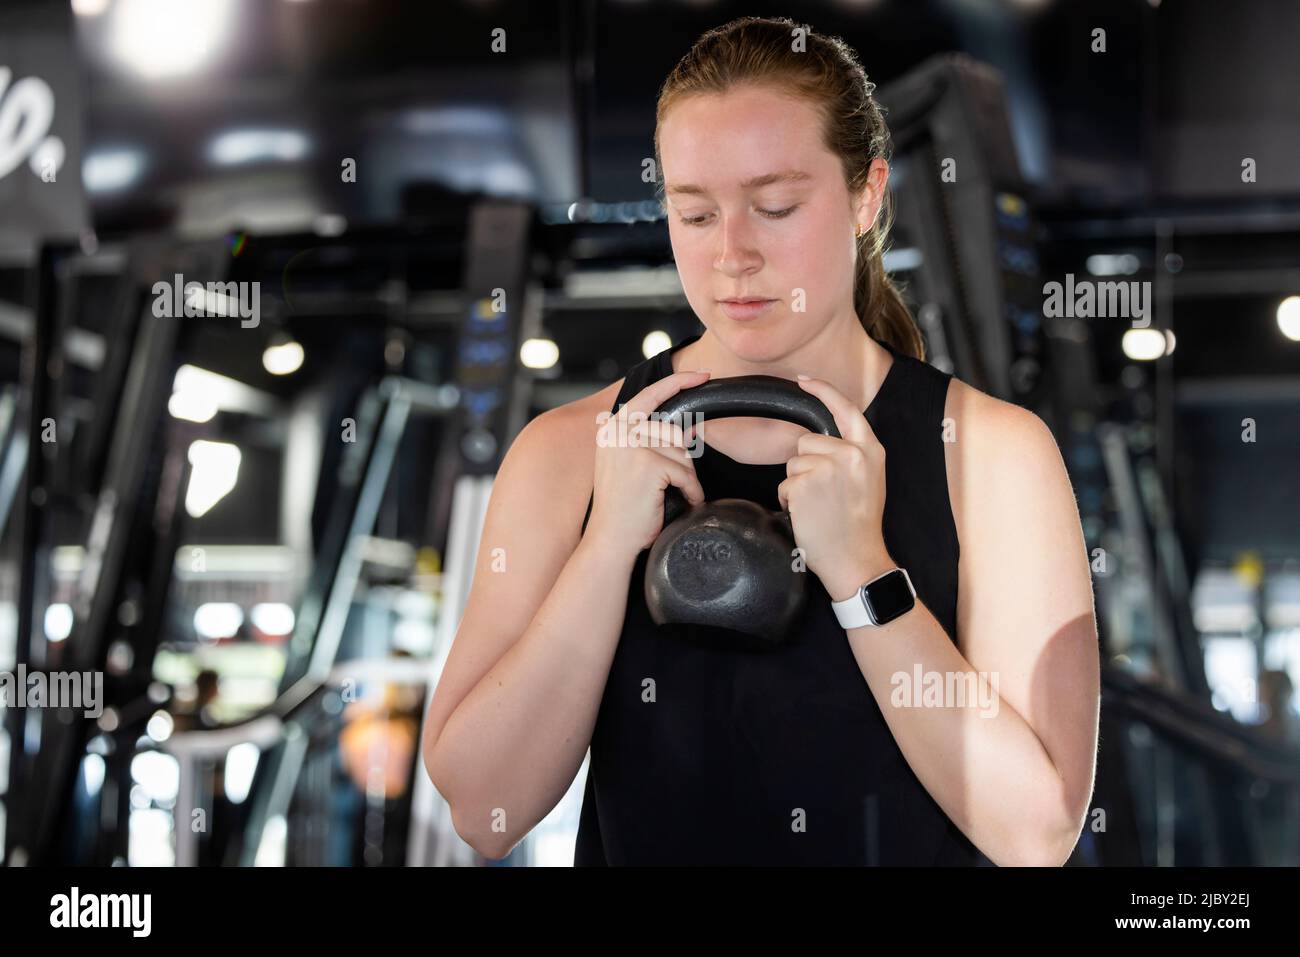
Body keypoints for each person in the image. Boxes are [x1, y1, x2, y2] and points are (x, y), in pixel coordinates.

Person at [422, 16, 1100, 866]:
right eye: (694, 213)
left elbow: (1035, 835)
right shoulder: (567, 453)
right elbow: (484, 811)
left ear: (866, 195)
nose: (732, 254)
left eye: (775, 206)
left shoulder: (992, 455)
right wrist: (604, 550)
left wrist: (863, 573)